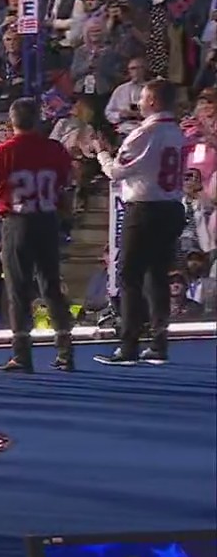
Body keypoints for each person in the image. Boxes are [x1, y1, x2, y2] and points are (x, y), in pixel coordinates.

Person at [93, 79, 188, 366]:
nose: (140, 103)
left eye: (144, 98)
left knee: (130, 275)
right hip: (171, 207)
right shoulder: (177, 132)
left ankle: (129, 344)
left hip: (146, 208)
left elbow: (118, 172)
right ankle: (158, 342)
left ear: (154, 102)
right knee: (158, 275)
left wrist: (101, 154)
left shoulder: (144, 134)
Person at [0, 97, 76, 373]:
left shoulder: (2, 151)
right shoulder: (54, 149)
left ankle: (22, 354)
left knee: (17, 289)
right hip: (46, 219)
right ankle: (65, 350)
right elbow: (65, 183)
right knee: (51, 286)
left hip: (17, 220)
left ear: (12, 122)